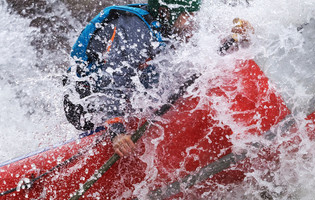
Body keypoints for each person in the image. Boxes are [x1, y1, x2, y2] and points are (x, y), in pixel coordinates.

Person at [63, 0, 254, 157]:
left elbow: (194, 54)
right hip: (84, 102)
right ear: (165, 12)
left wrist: (232, 39)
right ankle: (111, 129)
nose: (193, 21)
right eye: (187, 15)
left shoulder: (164, 25)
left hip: (122, 89)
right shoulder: (134, 31)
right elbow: (112, 82)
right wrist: (117, 132)